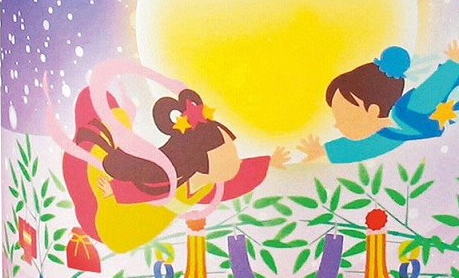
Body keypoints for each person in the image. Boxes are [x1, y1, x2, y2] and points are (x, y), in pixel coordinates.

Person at [46, 60, 289, 252]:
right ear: (201, 160)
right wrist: (113, 192)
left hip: (146, 227)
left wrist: (268, 162)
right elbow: (141, 186)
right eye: (227, 151)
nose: (234, 157)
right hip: (124, 226)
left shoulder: (206, 184)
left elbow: (238, 179)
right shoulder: (169, 180)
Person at [298, 40, 459, 164]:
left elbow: (430, 91)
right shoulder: (388, 134)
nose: (337, 125)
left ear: (373, 110)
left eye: (345, 118)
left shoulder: (409, 109)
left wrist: (452, 66)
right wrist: (326, 151)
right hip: (443, 111)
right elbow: (361, 148)